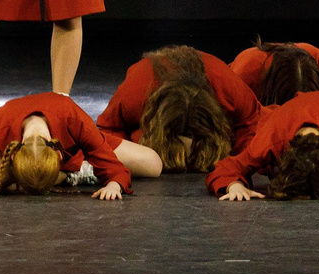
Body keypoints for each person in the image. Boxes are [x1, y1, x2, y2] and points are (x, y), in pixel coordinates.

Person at [95, 45, 262, 176]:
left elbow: (252, 124)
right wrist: (138, 156)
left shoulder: (229, 88)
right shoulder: (136, 91)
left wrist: (236, 165)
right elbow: (108, 129)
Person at [0, 92, 131, 200]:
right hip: (53, 162)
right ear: (13, 155)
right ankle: (70, 175)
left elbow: (115, 168)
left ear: (59, 155)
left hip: (81, 147)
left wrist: (114, 185)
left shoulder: (75, 119)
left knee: (148, 163)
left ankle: (78, 171)